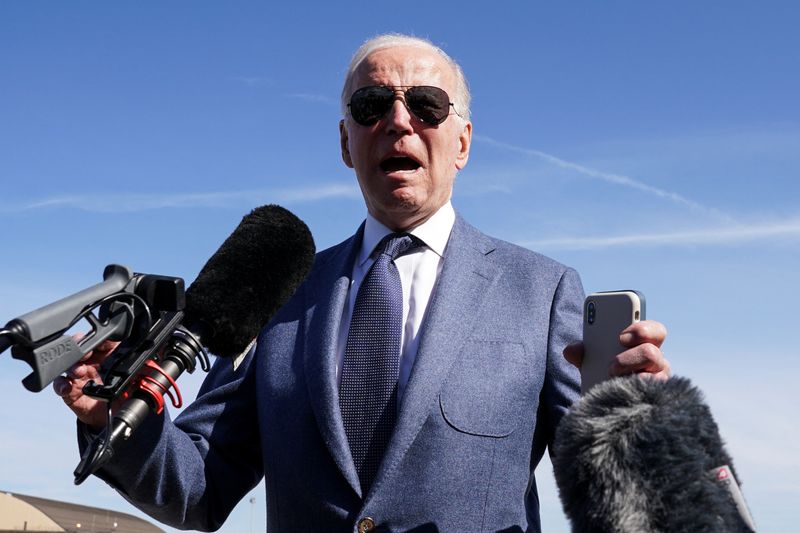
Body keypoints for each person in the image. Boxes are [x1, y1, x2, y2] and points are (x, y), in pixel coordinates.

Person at [54, 34, 669, 532]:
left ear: (463, 142)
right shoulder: (279, 291)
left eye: (426, 104)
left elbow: (612, 499)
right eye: (371, 106)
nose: (399, 121)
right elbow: (199, 491)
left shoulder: (541, 291)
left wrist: (640, 426)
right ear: (347, 142)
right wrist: (115, 419)